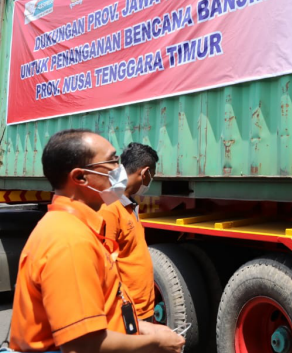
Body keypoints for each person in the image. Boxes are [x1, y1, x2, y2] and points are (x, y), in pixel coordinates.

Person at [9, 129, 184, 353]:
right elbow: (81, 344)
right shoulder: (69, 240)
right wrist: (156, 344)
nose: (118, 170)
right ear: (80, 177)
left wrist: (143, 329)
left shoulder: (79, 228)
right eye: (111, 162)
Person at [99, 142, 159, 322]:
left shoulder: (128, 204)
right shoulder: (109, 208)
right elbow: (105, 266)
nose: (151, 180)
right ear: (145, 173)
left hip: (141, 309)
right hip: (128, 311)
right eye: (152, 176)